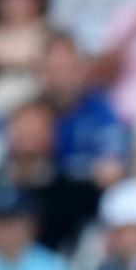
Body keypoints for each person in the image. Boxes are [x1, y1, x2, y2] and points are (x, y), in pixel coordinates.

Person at [0, 101, 100, 252]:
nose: (28, 138)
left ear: (53, 135)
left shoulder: (75, 193)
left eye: (36, 130)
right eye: (22, 129)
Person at [40, 33, 129, 188]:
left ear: (82, 69)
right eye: (54, 70)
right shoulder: (31, 111)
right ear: (42, 74)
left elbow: (112, 166)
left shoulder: (100, 110)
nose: (62, 78)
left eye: (69, 68)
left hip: (87, 194)